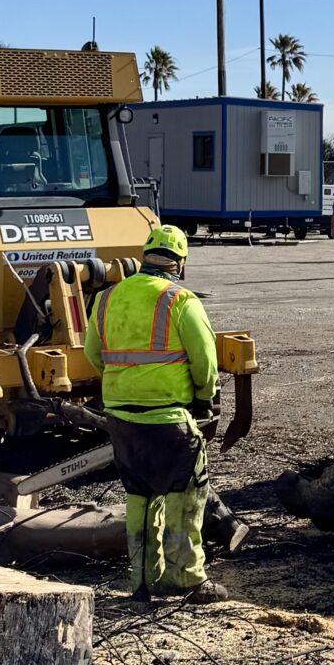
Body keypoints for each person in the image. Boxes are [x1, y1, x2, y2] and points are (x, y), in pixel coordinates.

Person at [83, 223, 222, 602]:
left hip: (121, 420)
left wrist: (124, 384)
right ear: (180, 263)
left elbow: (93, 354)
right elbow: (205, 361)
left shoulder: (106, 298)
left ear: (144, 257)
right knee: (185, 496)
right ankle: (188, 580)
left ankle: (143, 582)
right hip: (168, 418)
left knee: (140, 499)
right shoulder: (181, 301)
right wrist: (204, 396)